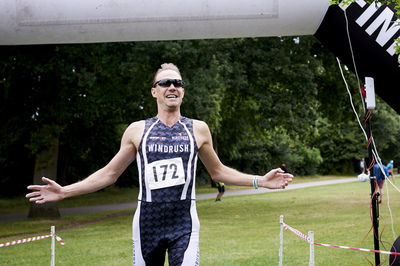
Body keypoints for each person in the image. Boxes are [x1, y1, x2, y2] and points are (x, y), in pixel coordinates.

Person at [26, 63, 293, 266]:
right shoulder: (136, 131)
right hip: (147, 223)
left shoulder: (198, 130)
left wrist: (261, 181)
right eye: (165, 82)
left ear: (183, 90)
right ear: (155, 91)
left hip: (184, 223)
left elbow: (218, 171)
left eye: (177, 82)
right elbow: (109, 174)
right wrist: (65, 192)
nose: (172, 86)